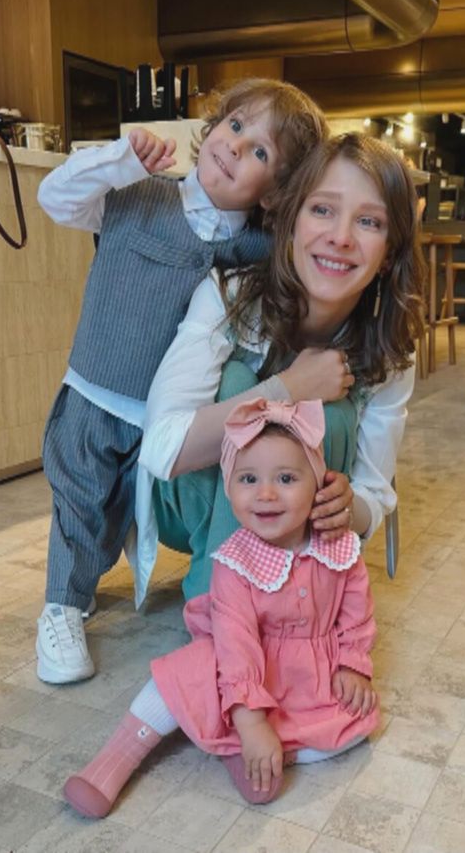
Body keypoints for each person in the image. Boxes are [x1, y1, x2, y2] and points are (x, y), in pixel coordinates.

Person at [35, 77, 330, 685]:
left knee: (122, 513)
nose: (235, 147)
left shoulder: (257, 246)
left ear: (275, 190)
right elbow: (55, 199)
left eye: (260, 152)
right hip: (94, 394)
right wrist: (118, 161)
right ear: (213, 125)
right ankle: (61, 605)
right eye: (235, 126)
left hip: (166, 420)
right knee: (80, 505)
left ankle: (185, 586)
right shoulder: (138, 192)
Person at [139, 131, 426, 599]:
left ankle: (264, 604)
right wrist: (288, 388)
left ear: (389, 251)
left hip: (296, 520)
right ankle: (220, 608)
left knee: (333, 413)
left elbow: (373, 498)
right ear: (291, 221)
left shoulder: (390, 348)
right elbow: (161, 449)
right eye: (322, 210)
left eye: (368, 222)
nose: (340, 238)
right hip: (184, 503)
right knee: (238, 381)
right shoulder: (229, 296)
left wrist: (348, 506)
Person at [63, 398, 379, 819]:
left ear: (318, 485)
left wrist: (351, 664)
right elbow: (236, 646)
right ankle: (118, 755)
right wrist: (252, 722)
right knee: (184, 674)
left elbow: (356, 612)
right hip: (240, 666)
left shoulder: (339, 548)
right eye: (248, 478)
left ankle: (254, 751)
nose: (266, 493)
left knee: (354, 728)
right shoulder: (234, 564)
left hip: (308, 673)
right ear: (229, 489)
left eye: (286, 478)